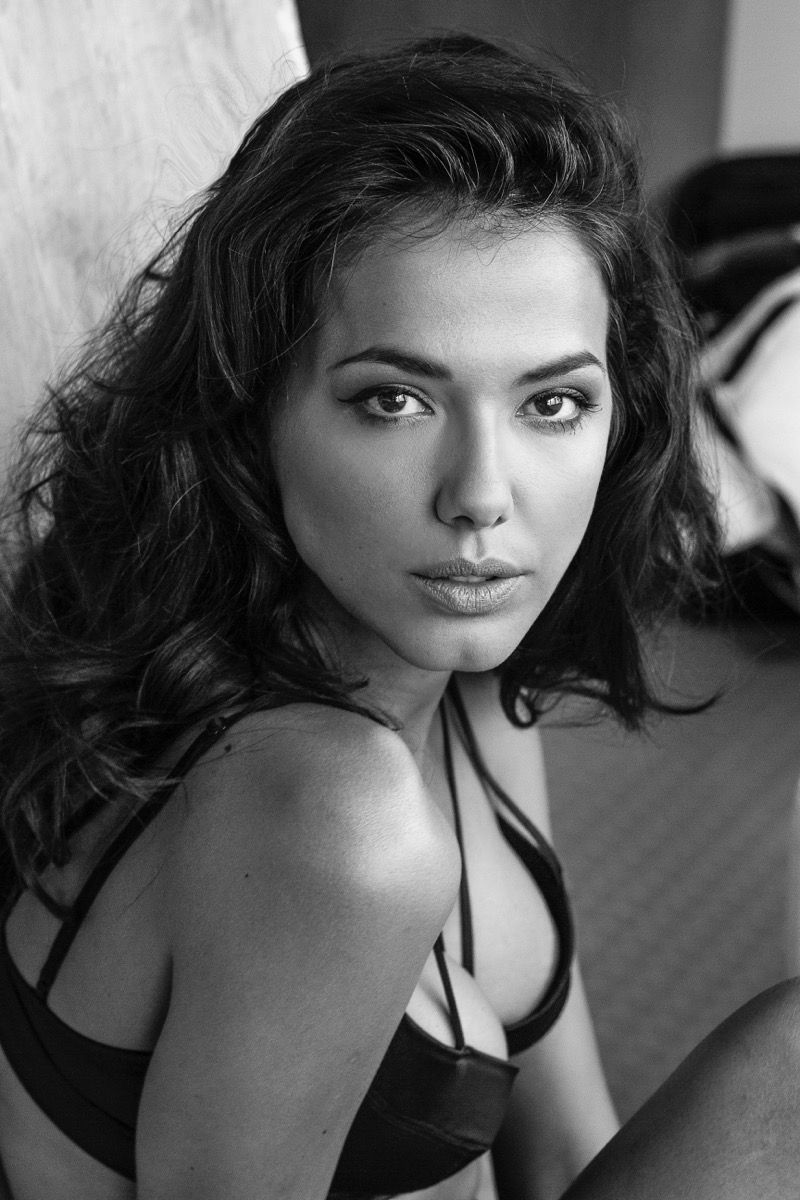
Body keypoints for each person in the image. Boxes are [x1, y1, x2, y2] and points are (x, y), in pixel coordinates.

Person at [0, 33, 798, 1200]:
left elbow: (563, 1156)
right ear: (251, 411)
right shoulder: (329, 815)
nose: (480, 496)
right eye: (394, 399)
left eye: (551, 403)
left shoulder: (469, 691)